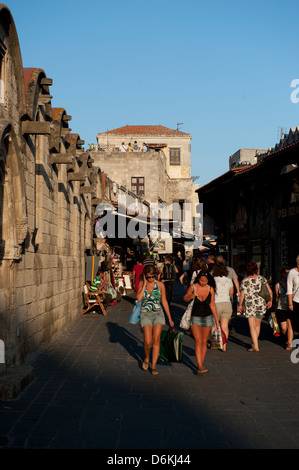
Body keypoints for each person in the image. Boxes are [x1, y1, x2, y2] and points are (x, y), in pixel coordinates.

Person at [137, 265, 174, 375]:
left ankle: (153, 366)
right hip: (145, 314)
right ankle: (147, 358)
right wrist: (144, 283)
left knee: (156, 340)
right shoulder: (143, 283)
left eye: (153, 276)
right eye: (148, 277)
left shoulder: (161, 285)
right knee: (148, 341)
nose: (151, 279)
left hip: (158, 314)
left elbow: (164, 302)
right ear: (145, 276)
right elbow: (138, 298)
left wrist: (170, 318)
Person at [183, 270, 220, 375]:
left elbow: (212, 305)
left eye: (205, 281)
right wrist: (192, 296)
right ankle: (199, 366)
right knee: (198, 340)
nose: (203, 282)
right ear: (198, 279)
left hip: (208, 317)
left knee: (204, 341)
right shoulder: (193, 287)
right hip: (195, 317)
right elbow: (185, 298)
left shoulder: (211, 289)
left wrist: (217, 320)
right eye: (201, 280)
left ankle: (201, 364)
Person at [237, 261, 273, 352]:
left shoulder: (245, 281)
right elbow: (269, 291)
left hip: (250, 304)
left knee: (252, 326)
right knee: (257, 325)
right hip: (261, 303)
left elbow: (242, 294)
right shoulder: (262, 278)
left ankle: (255, 346)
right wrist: (270, 300)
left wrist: (240, 305)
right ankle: (254, 343)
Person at [213, 262, 234, 351]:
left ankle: (216, 343)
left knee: (215, 324)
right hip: (227, 303)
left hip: (216, 303)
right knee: (225, 325)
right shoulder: (229, 280)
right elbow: (231, 292)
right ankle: (224, 345)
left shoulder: (213, 280)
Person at [275, 266, 293, 350]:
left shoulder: (292, 284)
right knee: (283, 328)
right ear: (282, 274)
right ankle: (287, 338)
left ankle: (289, 343)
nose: (288, 274)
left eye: (289, 273)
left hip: (290, 307)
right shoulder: (278, 285)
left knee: (290, 325)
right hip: (281, 307)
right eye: (286, 273)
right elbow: (277, 297)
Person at [287, 255, 299, 335]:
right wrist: (290, 303)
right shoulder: (292, 272)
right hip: (296, 300)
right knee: (297, 323)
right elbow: (289, 288)